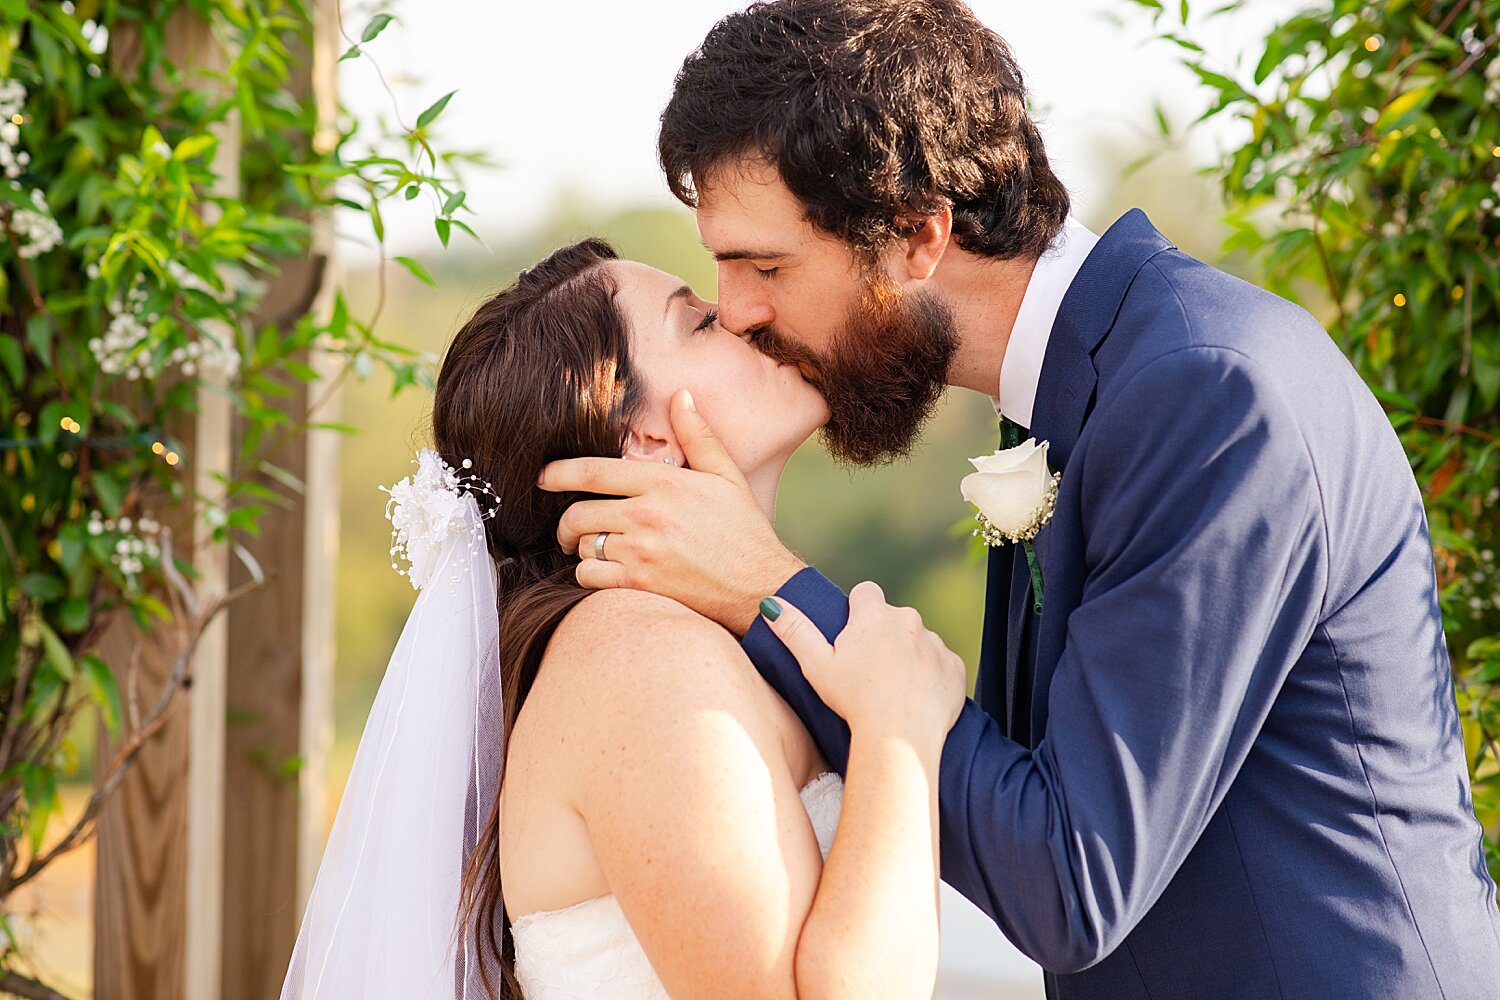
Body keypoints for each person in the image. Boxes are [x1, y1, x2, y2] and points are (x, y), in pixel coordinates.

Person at [539, 2, 1500, 998]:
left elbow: (1072, 881)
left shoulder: (1208, 393)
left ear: (919, 237)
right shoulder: (1075, 395)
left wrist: (769, 593)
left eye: (765, 266)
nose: (738, 310)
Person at [278, 238, 968, 1000]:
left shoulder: (685, 644)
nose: (742, 315)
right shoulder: (641, 660)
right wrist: (897, 736)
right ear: (644, 438)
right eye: (700, 323)